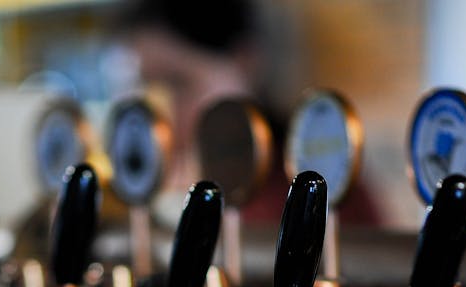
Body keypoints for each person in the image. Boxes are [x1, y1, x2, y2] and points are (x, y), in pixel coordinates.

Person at [112, 0, 384, 229]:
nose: (161, 116)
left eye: (178, 82)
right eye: (146, 90)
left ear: (245, 62)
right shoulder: (144, 200)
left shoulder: (314, 183)